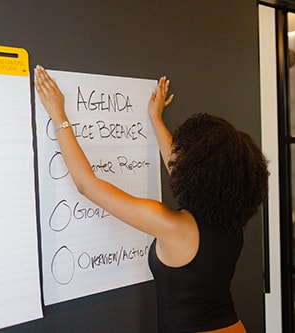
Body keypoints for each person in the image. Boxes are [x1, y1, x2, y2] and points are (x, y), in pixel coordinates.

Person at [34, 65, 269, 333]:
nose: (177, 157)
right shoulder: (231, 219)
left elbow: (88, 186)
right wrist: (155, 119)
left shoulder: (173, 226)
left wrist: (58, 115)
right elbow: (179, 167)